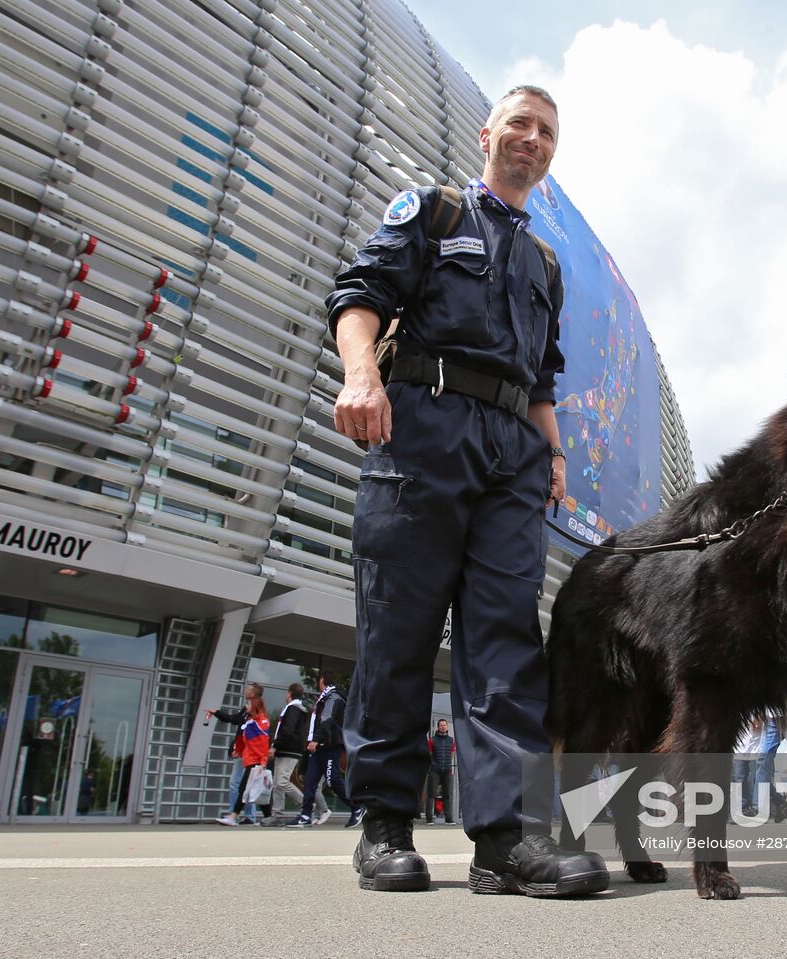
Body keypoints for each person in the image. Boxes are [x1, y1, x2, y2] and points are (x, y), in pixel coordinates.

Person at [326, 84, 608, 896]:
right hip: (422, 428)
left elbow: (544, 375)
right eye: (520, 123)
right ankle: (383, 827)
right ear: (488, 133)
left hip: (512, 454)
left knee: (507, 645)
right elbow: (359, 298)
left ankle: (506, 841)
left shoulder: (546, 264)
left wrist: (551, 455)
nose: (532, 138)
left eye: (547, 130)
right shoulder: (436, 212)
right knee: (398, 630)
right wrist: (362, 374)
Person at [287, 672, 359, 828]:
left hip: (330, 745)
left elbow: (327, 719)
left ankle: (356, 807)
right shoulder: (324, 699)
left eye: (318, 681)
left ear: (322, 681)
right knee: (310, 780)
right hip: (319, 747)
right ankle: (305, 815)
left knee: (333, 779)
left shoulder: (333, 697)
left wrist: (317, 739)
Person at [207, 684, 269, 825]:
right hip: (247, 754)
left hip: (255, 756)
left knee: (245, 787)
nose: (246, 689)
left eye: (249, 688)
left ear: (253, 693)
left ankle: (239, 816)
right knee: (247, 787)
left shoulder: (258, 713)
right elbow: (236, 722)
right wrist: (217, 712)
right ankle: (267, 817)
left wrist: (263, 759)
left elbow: (262, 738)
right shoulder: (247, 713)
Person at [259, 683, 310, 826]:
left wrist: (275, 745)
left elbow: (287, 730)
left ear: (289, 693)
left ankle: (306, 805)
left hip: (289, 750)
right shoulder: (296, 709)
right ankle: (277, 815)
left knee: (281, 781)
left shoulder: (293, 709)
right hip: (287, 749)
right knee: (277, 784)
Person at [426, 719, 457, 824]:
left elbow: (452, 755)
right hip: (435, 771)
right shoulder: (432, 740)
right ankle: (429, 819)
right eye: (441, 725)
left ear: (447, 727)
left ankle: (449, 819)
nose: (443, 727)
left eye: (445, 725)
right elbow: (429, 754)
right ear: (438, 727)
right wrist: (433, 764)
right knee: (431, 795)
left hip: (447, 771)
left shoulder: (451, 740)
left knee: (447, 795)